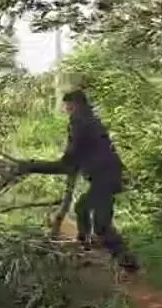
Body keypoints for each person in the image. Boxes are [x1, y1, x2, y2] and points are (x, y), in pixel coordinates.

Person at [35, 90, 140, 273]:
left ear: (75, 104)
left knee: (101, 224)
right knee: (82, 207)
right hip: (107, 175)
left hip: (105, 177)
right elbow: (82, 151)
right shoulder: (90, 119)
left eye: (68, 105)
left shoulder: (79, 120)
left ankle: (127, 262)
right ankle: (86, 244)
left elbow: (73, 151)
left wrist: (36, 166)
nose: (66, 109)